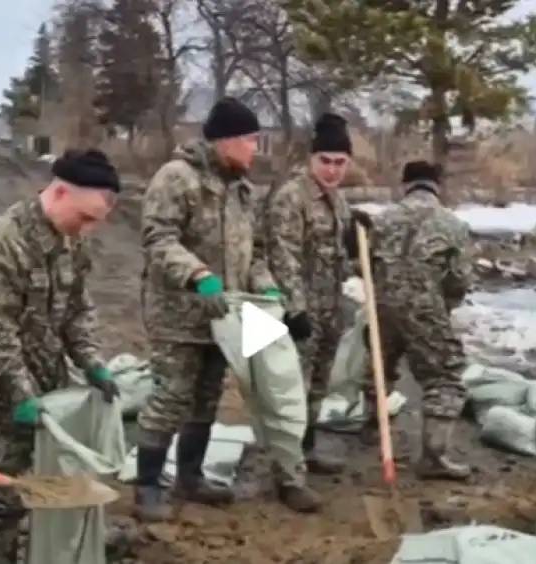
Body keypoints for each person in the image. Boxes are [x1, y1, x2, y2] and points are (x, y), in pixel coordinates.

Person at [133, 96, 321, 520]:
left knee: (206, 398)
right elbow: (157, 237)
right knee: (170, 396)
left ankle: (190, 477)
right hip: (178, 315)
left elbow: (253, 253)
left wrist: (272, 295)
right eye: (252, 140)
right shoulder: (176, 178)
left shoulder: (240, 189)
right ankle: (146, 488)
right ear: (227, 141)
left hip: (224, 319)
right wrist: (198, 275)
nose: (257, 149)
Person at [0, 149, 121, 562]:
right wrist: (20, 394)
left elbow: (78, 311)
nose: (86, 230)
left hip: (48, 392)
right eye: (84, 218)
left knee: (51, 483)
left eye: (94, 223)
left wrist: (92, 363)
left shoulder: (71, 242)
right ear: (61, 192)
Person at [345, 161, 475, 481]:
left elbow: (362, 265)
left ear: (405, 186)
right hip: (425, 309)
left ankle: (372, 425)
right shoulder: (451, 224)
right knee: (445, 375)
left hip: (383, 306)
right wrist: (443, 305)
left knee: (379, 364)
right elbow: (459, 278)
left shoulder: (383, 220)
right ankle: (434, 455)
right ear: (437, 186)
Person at [264, 112, 356, 476]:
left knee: (318, 385)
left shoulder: (339, 202)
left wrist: (354, 240)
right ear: (311, 159)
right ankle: (286, 468)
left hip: (330, 308)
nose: (333, 170)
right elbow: (281, 254)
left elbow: (338, 259)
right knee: (292, 390)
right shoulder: (292, 197)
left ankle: (306, 449)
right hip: (298, 314)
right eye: (326, 161)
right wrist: (295, 309)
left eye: (340, 162)